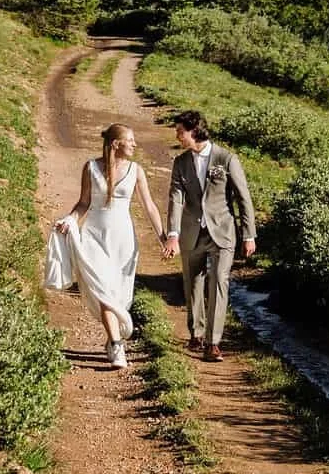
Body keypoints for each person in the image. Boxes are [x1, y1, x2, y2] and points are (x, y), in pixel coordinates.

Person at [53, 123, 164, 368]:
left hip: (123, 240)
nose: (135, 144)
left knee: (118, 294)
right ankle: (116, 345)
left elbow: (149, 206)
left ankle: (114, 336)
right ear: (116, 144)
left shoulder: (136, 170)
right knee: (103, 290)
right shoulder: (90, 168)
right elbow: (83, 203)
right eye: (130, 140)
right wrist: (70, 219)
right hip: (94, 235)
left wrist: (163, 236)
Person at [162, 110, 256, 362]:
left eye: (180, 130)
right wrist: (173, 234)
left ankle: (213, 342)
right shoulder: (180, 162)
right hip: (192, 232)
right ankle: (196, 332)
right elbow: (175, 198)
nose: (177, 135)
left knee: (219, 281)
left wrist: (249, 235)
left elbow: (243, 198)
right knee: (192, 282)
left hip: (222, 232)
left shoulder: (226, 159)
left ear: (194, 131)